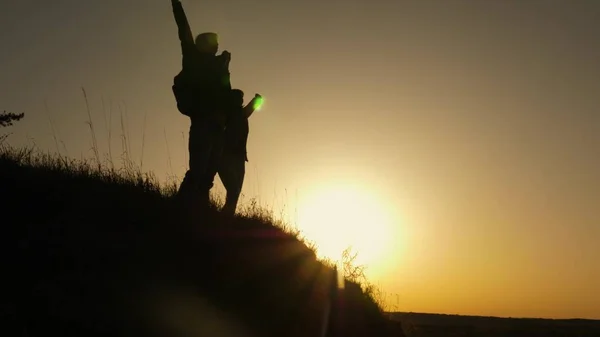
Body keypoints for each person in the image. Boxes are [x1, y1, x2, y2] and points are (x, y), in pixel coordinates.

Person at [170, 0, 232, 207]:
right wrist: (176, 4)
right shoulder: (192, 58)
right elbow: (183, 30)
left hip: (218, 125)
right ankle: (180, 206)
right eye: (214, 43)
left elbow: (226, 95)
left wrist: (225, 66)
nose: (217, 46)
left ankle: (200, 209)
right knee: (198, 169)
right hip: (203, 122)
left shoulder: (218, 65)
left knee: (209, 172)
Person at [218, 89, 263, 215]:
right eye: (239, 98)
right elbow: (249, 110)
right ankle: (226, 215)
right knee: (234, 189)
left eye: (241, 99)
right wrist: (257, 99)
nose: (241, 101)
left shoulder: (236, 114)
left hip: (237, 156)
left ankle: (227, 215)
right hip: (227, 156)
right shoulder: (234, 114)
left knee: (235, 189)